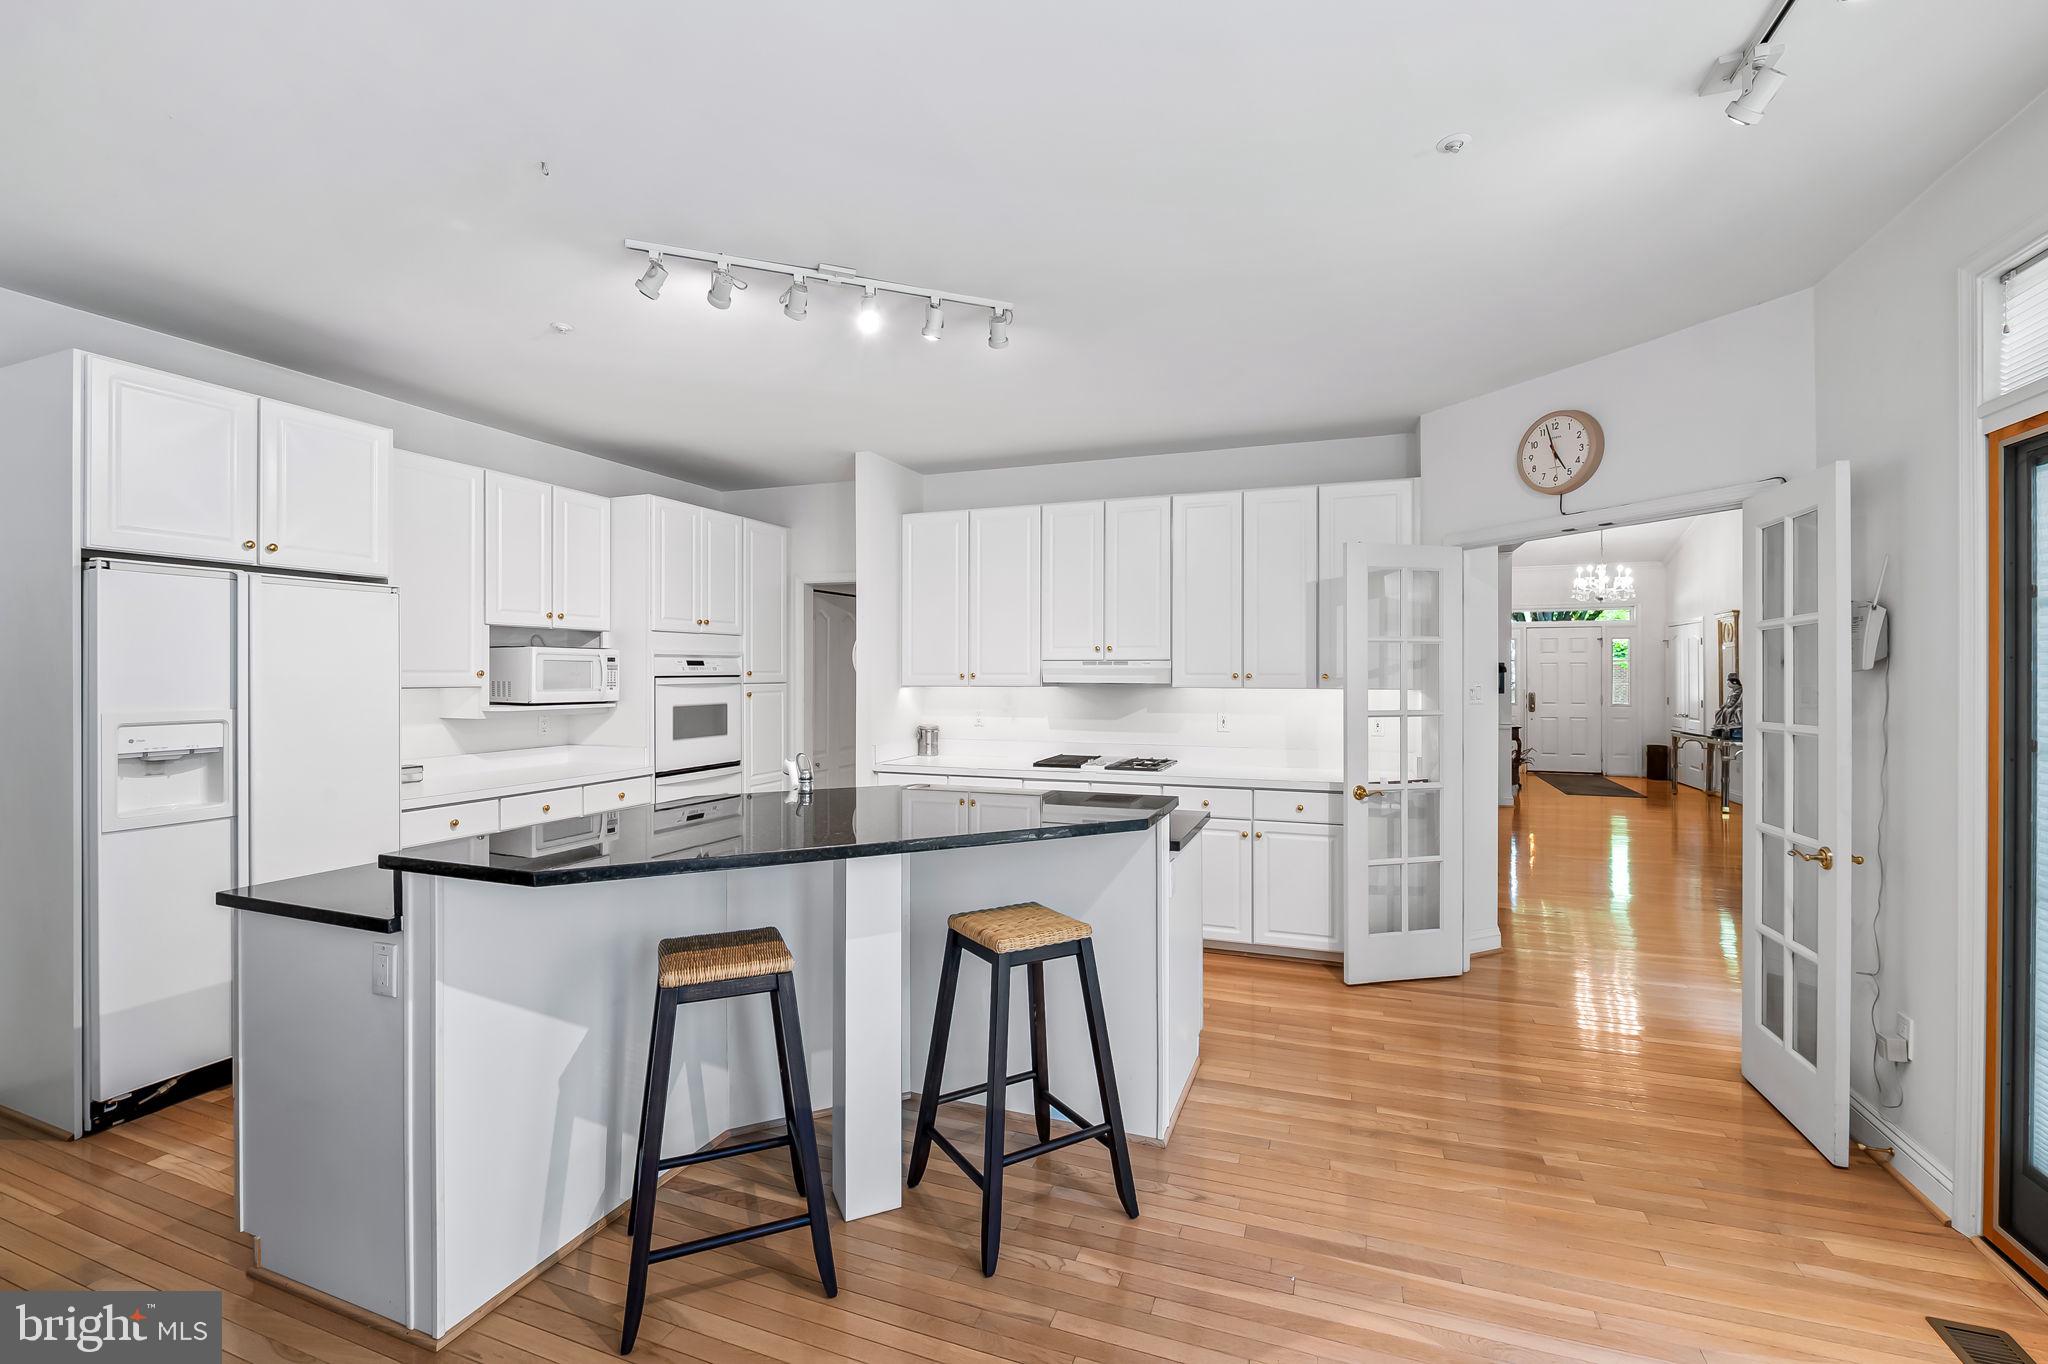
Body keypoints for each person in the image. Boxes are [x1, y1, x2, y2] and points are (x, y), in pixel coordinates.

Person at [1711, 674, 1743, 741]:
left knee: (1728, 711)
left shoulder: (1738, 691)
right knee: (1718, 711)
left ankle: (1727, 725)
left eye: (1728, 682)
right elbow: (1727, 701)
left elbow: (1734, 701)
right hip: (1729, 705)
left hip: (1735, 706)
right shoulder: (1732, 691)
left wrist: (1728, 706)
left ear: (1734, 683)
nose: (1727, 684)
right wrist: (1723, 706)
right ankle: (1720, 725)